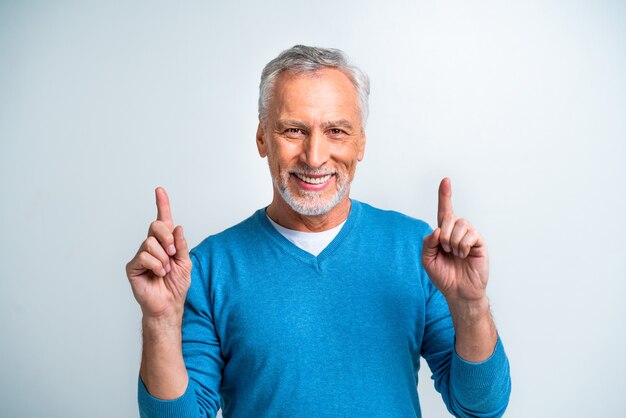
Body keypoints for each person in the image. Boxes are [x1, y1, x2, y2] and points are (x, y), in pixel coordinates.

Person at [126, 45, 511, 418]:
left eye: (336, 131)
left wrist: (471, 306)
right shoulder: (208, 269)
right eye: (294, 130)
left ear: (361, 143)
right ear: (263, 138)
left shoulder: (416, 249)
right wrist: (159, 322)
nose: (314, 157)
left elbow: (480, 406)